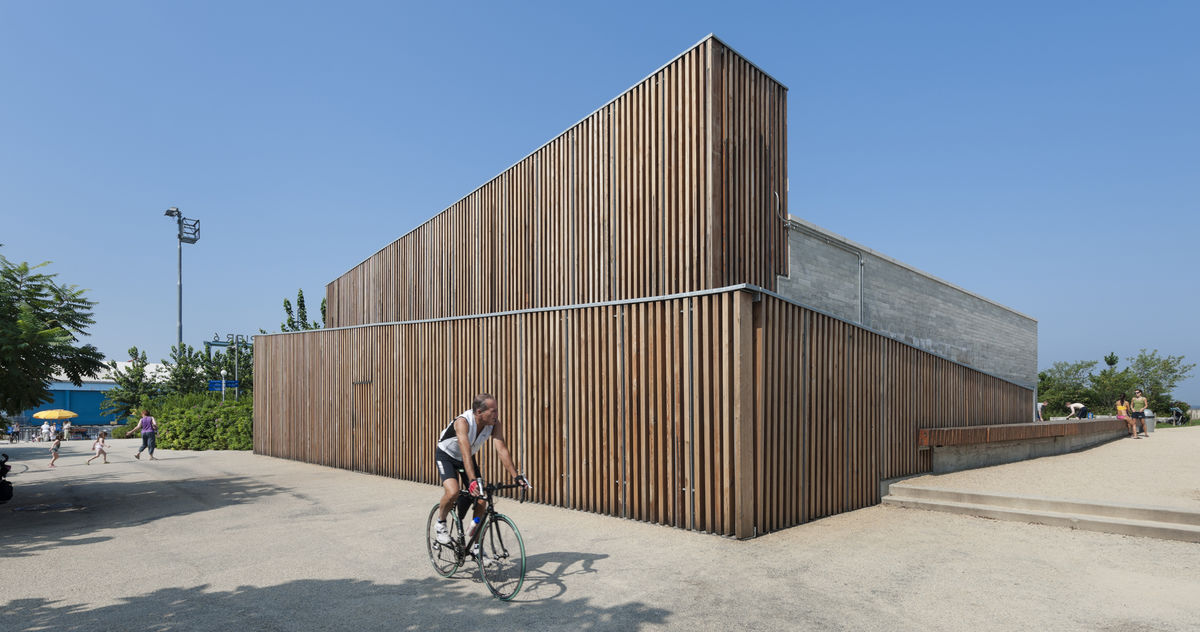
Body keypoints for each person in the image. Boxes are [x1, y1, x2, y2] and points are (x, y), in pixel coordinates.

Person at [432, 394, 532, 559]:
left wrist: (516, 476)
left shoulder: (493, 424)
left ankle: (476, 545)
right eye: (493, 411)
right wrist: (472, 481)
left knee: (482, 499)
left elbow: (501, 449)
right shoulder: (463, 423)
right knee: (453, 492)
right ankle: (440, 523)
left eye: (497, 410)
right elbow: (465, 451)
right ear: (479, 412)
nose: (496, 414)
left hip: (466, 457)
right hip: (447, 455)